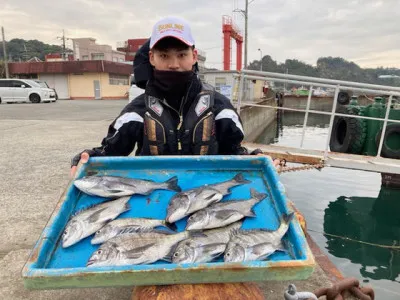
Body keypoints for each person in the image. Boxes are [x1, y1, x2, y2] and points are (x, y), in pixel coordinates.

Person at [70, 16, 252, 177]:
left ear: (194, 56)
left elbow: (235, 152)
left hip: (205, 195)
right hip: (152, 199)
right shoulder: (136, 111)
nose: (174, 64)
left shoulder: (220, 107)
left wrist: (253, 158)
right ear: (151, 57)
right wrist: (89, 157)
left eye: (182, 54)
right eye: (164, 55)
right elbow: (110, 153)